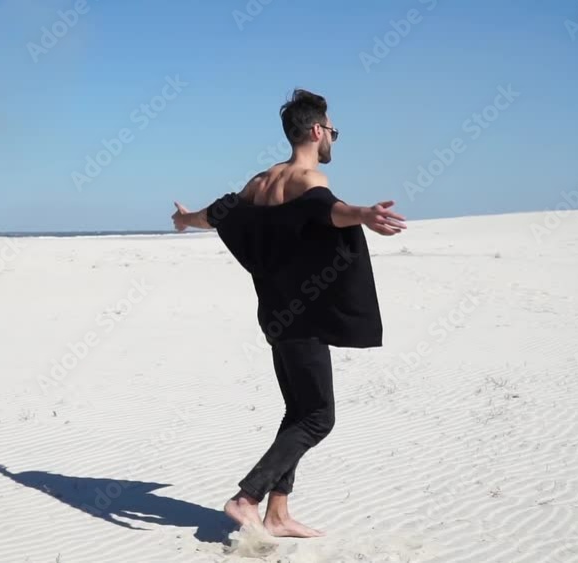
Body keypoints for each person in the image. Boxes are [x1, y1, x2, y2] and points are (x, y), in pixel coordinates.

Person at [170, 89, 407, 538]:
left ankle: (277, 515)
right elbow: (327, 210)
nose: (333, 138)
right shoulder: (309, 179)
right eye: (332, 130)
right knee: (319, 417)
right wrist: (363, 214)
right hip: (304, 319)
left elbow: (218, 213)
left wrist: (185, 220)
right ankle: (247, 498)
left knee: (297, 411)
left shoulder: (260, 182)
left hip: (276, 316)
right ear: (317, 130)